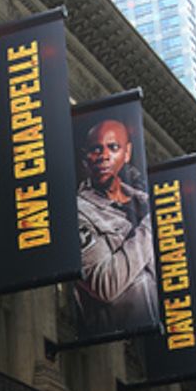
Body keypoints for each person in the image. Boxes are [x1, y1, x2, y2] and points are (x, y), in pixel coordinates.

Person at [74, 118, 157, 334]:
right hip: (121, 337)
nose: (104, 156)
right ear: (85, 157)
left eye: (113, 147)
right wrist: (153, 224)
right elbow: (105, 284)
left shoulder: (145, 201)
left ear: (127, 153)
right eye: (95, 149)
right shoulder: (78, 212)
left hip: (172, 336)